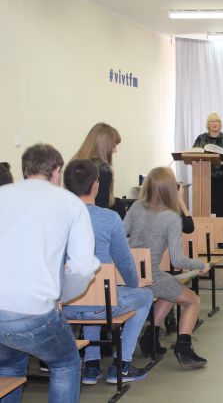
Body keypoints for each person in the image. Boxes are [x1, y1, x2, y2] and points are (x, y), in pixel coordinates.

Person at [0, 144, 100, 403]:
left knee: (8, 367)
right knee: (66, 363)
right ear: (57, 171)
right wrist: (61, 296)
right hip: (33, 312)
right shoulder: (71, 204)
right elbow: (82, 268)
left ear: (25, 170)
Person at [62, 159, 153, 385]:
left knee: (92, 296)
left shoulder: (57, 218)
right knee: (145, 296)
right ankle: (121, 364)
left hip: (64, 306)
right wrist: (134, 284)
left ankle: (91, 366)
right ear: (96, 185)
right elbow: (125, 263)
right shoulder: (109, 218)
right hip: (101, 305)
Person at [124, 167, 210, 369]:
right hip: (150, 275)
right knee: (193, 301)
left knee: (170, 290)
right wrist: (201, 264)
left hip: (127, 272)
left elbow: (120, 235)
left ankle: (149, 338)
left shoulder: (136, 206)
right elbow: (177, 260)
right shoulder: (172, 217)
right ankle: (184, 348)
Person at [192, 112, 223, 217]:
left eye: (217, 121)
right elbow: (193, 155)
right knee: (203, 210)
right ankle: (205, 228)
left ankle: (220, 228)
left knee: (221, 210)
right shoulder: (201, 138)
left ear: (220, 124)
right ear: (207, 124)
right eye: (211, 121)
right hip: (204, 179)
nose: (214, 123)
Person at [73, 122, 121, 210]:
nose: (115, 151)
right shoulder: (104, 170)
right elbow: (102, 208)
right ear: (103, 146)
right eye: (113, 146)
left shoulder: (73, 166)